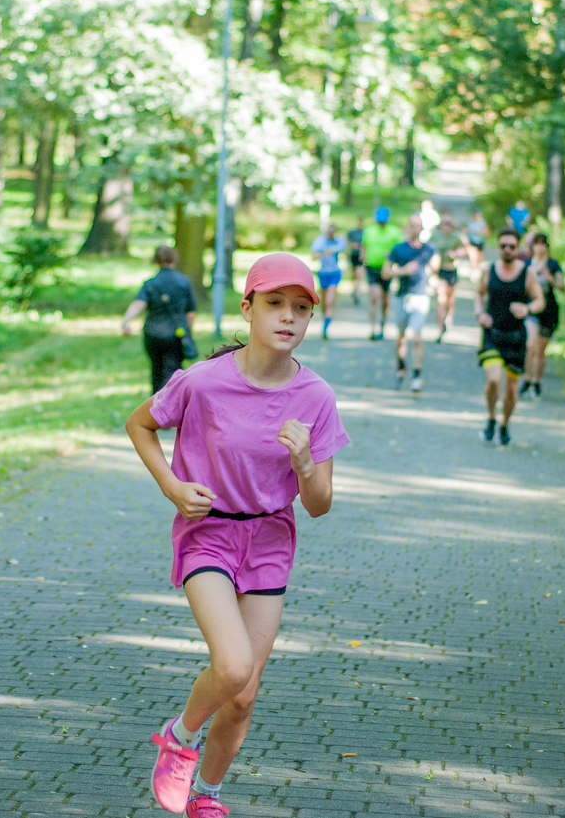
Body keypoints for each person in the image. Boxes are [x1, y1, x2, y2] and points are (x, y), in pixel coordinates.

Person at [125, 252, 350, 818]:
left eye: (300, 309)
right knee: (231, 666)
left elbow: (320, 505)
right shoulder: (203, 382)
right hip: (209, 533)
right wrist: (174, 487)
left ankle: (207, 794)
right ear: (248, 308)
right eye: (274, 304)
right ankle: (179, 735)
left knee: (245, 695)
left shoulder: (316, 397)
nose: (287, 318)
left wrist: (303, 461)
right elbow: (141, 424)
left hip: (271, 539)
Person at [475, 228, 544, 446]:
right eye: (503, 246)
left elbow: (539, 301)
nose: (507, 250)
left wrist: (527, 309)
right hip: (492, 334)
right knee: (494, 379)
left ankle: (504, 423)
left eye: (512, 246)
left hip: (515, 338)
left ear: (519, 248)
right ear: (498, 247)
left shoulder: (528, 273)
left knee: (511, 387)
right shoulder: (489, 270)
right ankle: (491, 418)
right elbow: (479, 294)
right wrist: (480, 313)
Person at [122, 246, 197, 393]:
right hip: (176, 334)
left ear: (156, 260)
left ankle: (155, 404)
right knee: (174, 373)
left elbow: (139, 304)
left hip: (153, 334)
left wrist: (125, 321)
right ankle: (173, 406)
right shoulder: (184, 282)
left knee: (156, 371)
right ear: (174, 259)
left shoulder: (151, 283)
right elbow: (191, 313)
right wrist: (187, 330)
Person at [384, 215, 437, 392]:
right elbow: (386, 272)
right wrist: (400, 271)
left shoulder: (427, 249)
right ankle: (401, 367)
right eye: (412, 225)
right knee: (401, 336)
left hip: (420, 297)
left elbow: (434, 265)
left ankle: (416, 375)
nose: (414, 229)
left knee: (416, 336)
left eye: (417, 226)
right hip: (401, 297)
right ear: (407, 227)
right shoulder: (399, 249)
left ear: (422, 229)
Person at [520, 233, 564, 399]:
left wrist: (550, 279)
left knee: (540, 350)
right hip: (532, 309)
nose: (539, 247)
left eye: (542, 243)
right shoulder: (526, 264)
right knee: (530, 344)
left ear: (547, 246)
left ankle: (536, 382)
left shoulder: (553, 265)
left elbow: (562, 286)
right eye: (536, 243)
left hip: (549, 311)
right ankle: (526, 379)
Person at [361, 207, 402, 340]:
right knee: (374, 296)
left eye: (383, 222)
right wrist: (362, 261)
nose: (381, 224)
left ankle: (382, 325)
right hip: (372, 268)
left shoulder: (394, 231)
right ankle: (373, 328)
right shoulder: (369, 230)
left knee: (385, 299)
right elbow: (364, 246)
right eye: (379, 221)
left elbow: (399, 250)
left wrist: (392, 258)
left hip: (387, 270)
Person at [426, 212, 464, 342]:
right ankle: (440, 327)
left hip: (451, 270)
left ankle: (448, 319)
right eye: (444, 224)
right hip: (439, 271)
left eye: (448, 224)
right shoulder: (435, 237)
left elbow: (464, 249)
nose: (446, 226)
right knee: (440, 299)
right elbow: (427, 250)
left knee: (449, 300)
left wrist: (456, 253)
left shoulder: (456, 237)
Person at [310, 223, 347, 339]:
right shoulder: (320, 241)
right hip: (323, 274)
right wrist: (323, 254)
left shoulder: (339, 241)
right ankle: (324, 319)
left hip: (334, 273)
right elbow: (313, 256)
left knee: (329, 301)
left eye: (333, 232)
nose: (331, 234)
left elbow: (345, 251)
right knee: (323, 302)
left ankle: (325, 329)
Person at [346, 215, 367, 305]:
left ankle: (357, 292)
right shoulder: (352, 232)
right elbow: (348, 243)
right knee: (354, 275)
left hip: (360, 256)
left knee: (359, 274)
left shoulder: (365, 232)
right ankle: (354, 289)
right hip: (353, 255)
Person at [465, 209, 487, 273]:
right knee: (472, 256)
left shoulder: (483, 222)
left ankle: (479, 270)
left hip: (480, 242)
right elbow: (466, 231)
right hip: (472, 242)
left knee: (479, 258)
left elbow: (487, 232)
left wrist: (480, 232)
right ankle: (473, 270)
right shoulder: (470, 222)